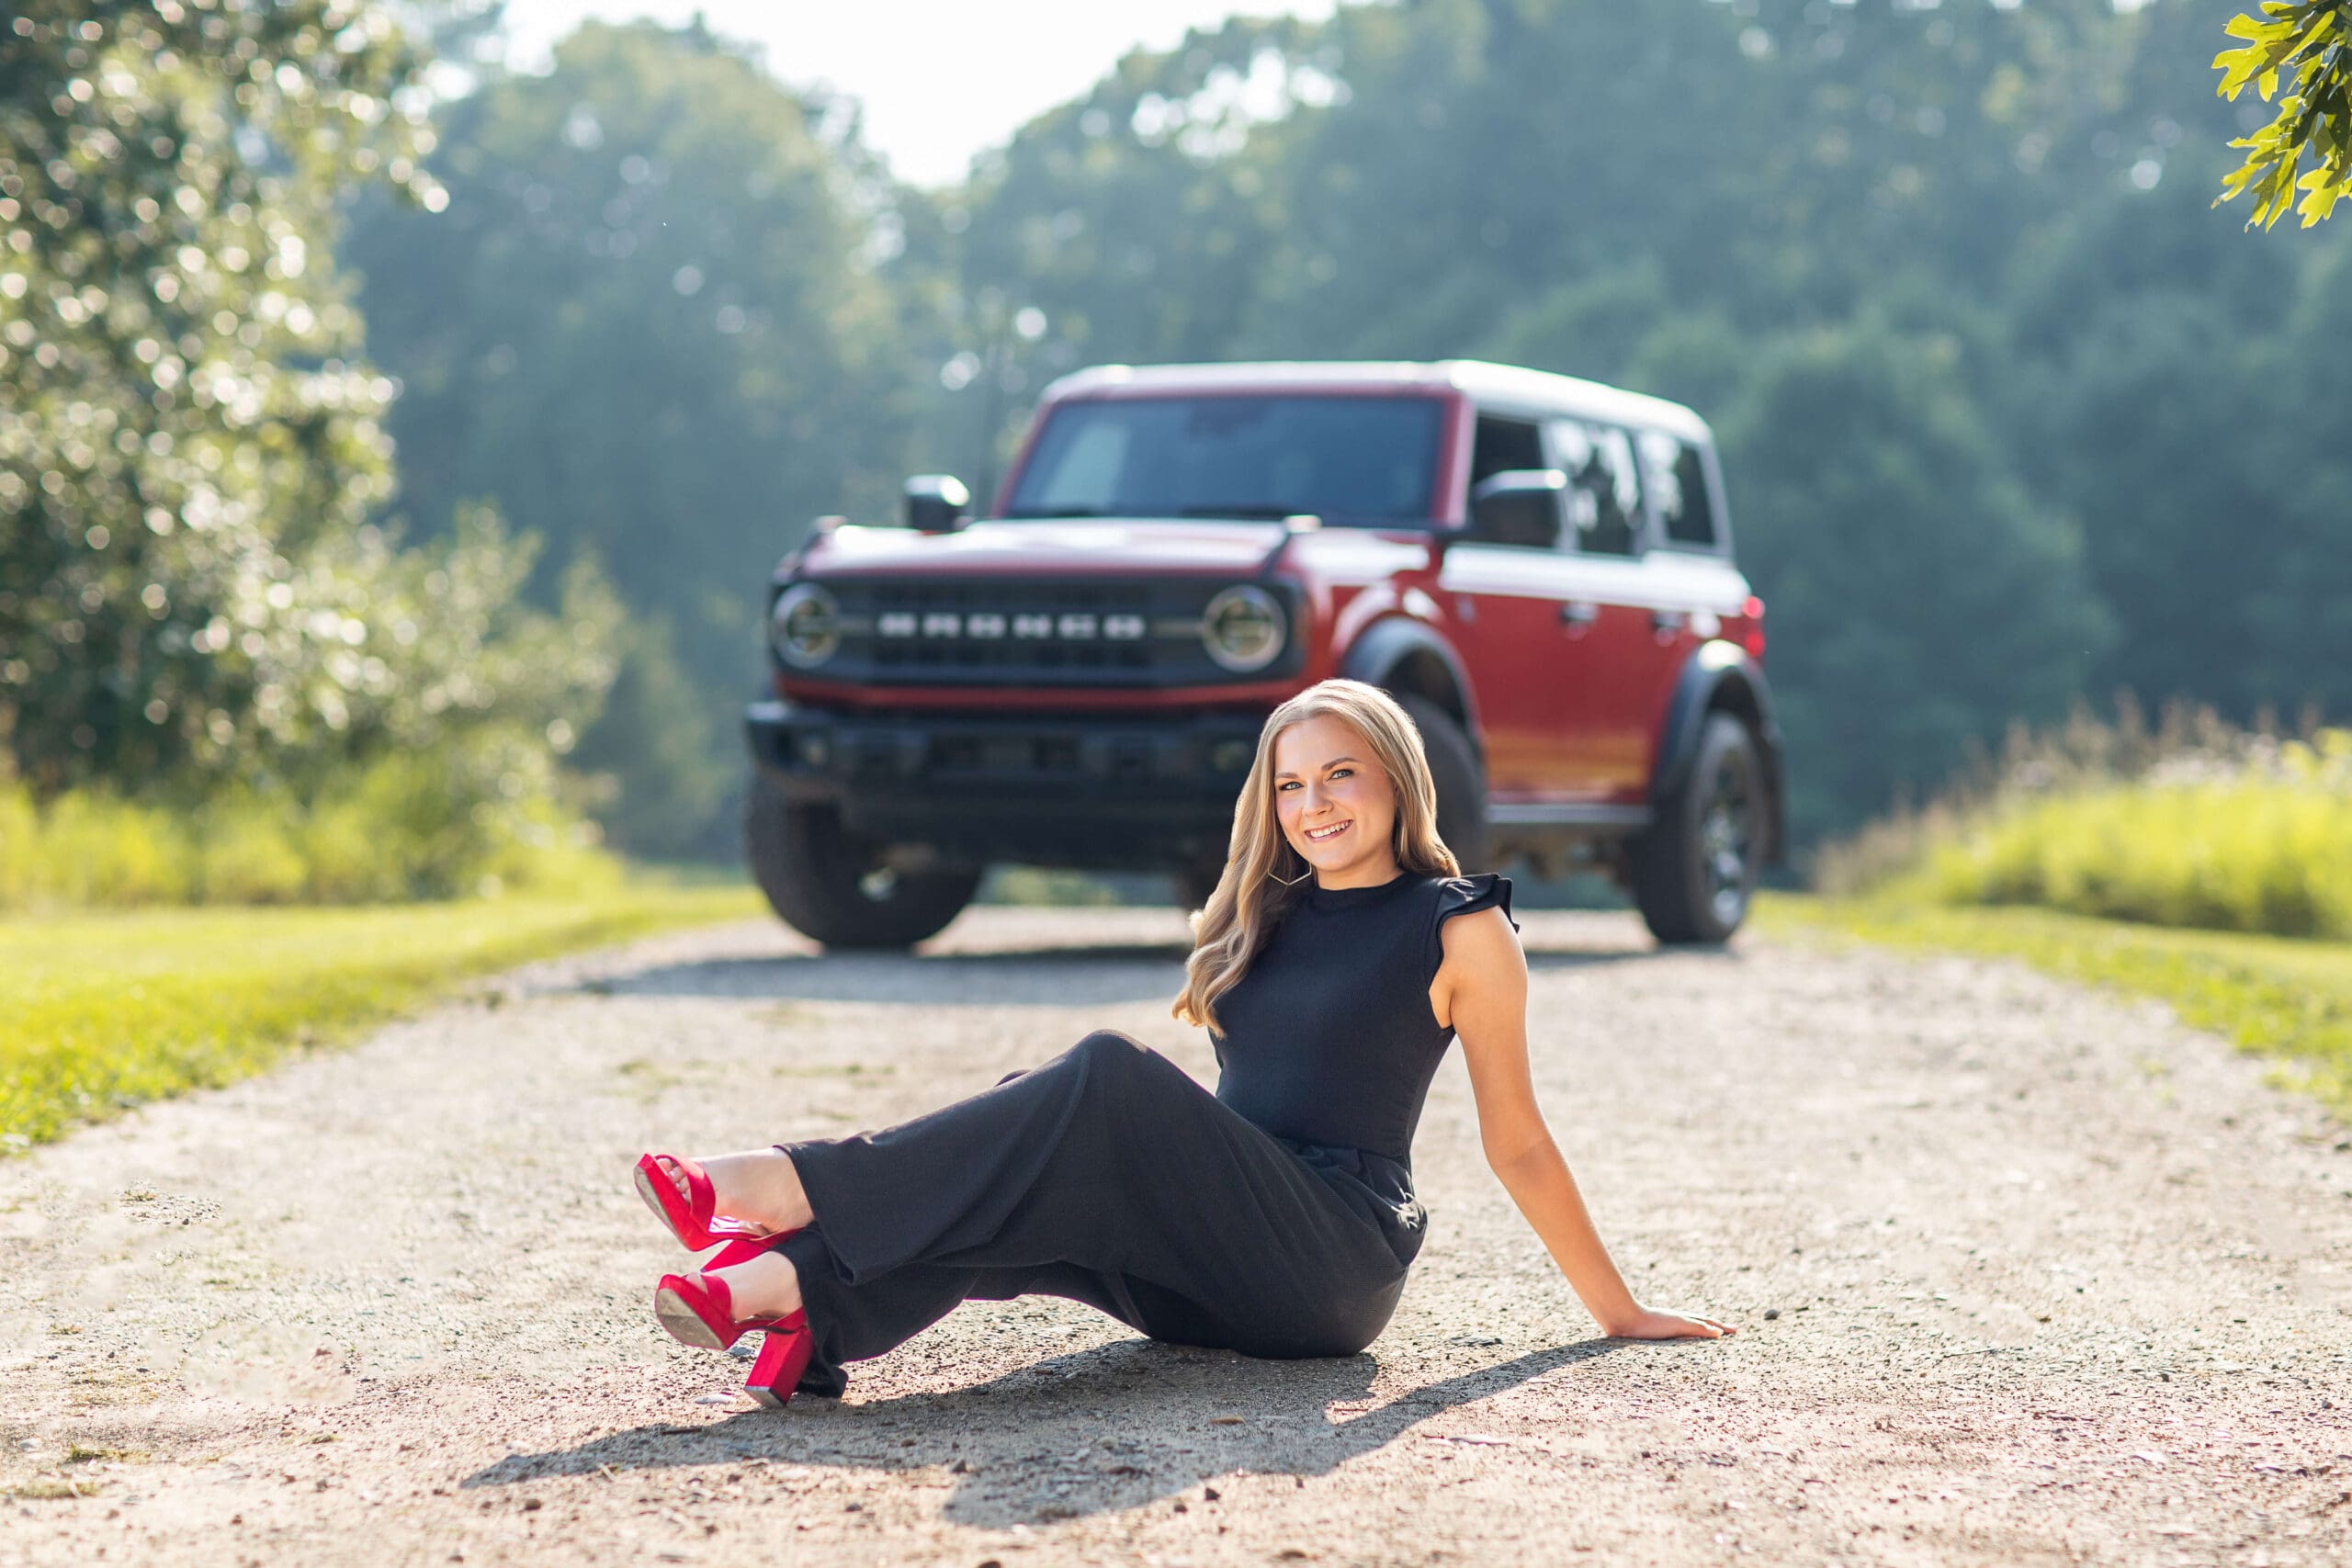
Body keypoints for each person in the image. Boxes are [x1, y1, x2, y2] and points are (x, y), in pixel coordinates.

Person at [634, 679, 1732, 1405]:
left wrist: (1615, 1309)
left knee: (1104, 1081)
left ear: (1396, 776)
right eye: (1291, 785)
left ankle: (788, 1184)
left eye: (1340, 774)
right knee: (1028, 1156)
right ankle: (790, 1296)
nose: (1315, 804)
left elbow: (1518, 1141)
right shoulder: (1266, 909)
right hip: (1214, 1257)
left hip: (1327, 1268)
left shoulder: (1461, 925)